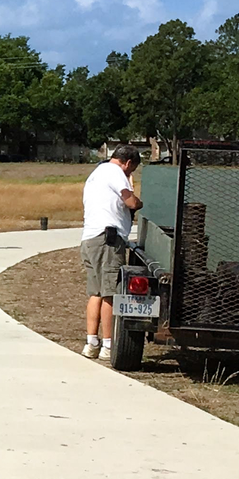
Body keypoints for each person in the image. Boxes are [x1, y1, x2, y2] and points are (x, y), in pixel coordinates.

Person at [80, 145, 144, 361]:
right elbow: (130, 202)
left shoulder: (97, 173)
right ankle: (108, 344)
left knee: (96, 292)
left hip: (90, 238)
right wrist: (139, 202)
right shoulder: (115, 172)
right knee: (110, 293)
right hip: (108, 240)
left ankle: (91, 342)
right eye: (132, 169)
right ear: (128, 162)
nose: (130, 173)